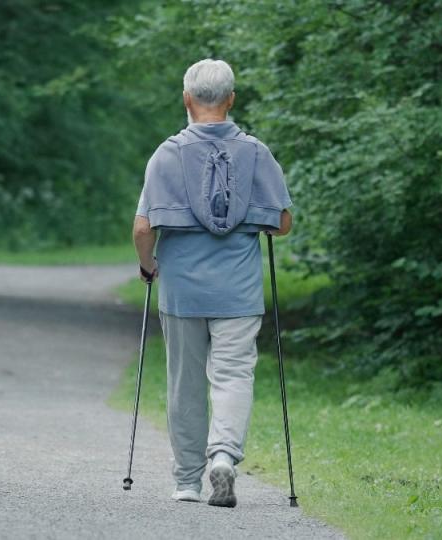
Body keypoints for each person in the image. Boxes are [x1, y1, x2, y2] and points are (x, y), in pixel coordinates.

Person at [132, 59, 293, 507]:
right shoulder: (257, 152)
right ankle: (223, 456)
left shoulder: (167, 153)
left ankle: (187, 481)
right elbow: (282, 222)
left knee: (185, 382)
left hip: (182, 291)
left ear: (186, 99)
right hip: (238, 291)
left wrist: (148, 267)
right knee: (233, 374)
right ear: (231, 100)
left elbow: (144, 228)